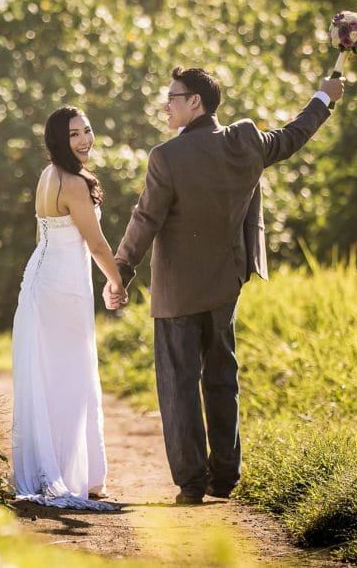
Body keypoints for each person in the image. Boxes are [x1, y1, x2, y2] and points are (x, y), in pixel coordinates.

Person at [106, 67, 343, 505]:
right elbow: (293, 135)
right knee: (221, 377)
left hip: (176, 290)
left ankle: (192, 483)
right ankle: (225, 476)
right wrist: (324, 98)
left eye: (173, 97)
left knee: (178, 385)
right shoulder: (245, 141)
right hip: (226, 283)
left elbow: (145, 219)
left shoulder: (166, 157)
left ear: (195, 101)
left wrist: (121, 269)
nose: (167, 104)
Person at [11, 105, 126, 511]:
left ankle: (69, 471)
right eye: (74, 134)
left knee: (53, 375)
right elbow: (95, 244)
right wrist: (116, 280)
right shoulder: (73, 183)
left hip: (41, 279)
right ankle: (77, 477)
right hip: (62, 287)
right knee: (72, 377)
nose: (84, 140)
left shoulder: (47, 176)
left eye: (88, 131)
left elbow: (41, 232)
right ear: (58, 140)